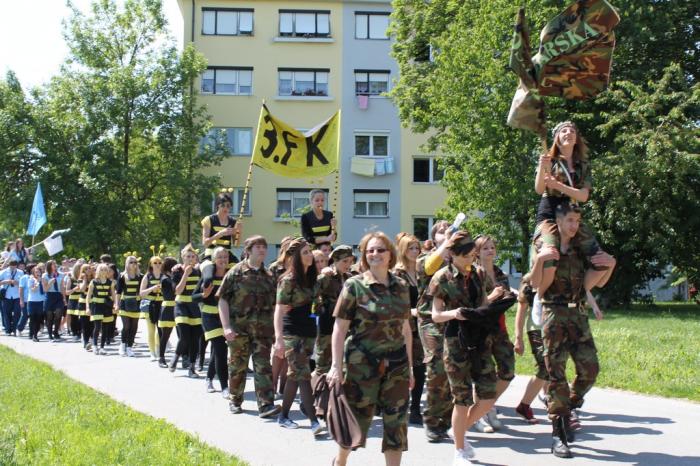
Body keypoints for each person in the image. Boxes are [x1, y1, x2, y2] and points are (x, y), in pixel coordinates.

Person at [530, 202, 616, 458]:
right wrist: (540, 261)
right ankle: (558, 435)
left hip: (577, 314)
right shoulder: (546, 245)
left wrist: (611, 265)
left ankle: (569, 406)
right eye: (569, 220)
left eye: (577, 221)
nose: (574, 226)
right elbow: (536, 286)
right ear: (558, 221)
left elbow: (595, 284)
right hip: (553, 313)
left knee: (590, 369)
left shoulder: (580, 249)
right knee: (556, 375)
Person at [327, 232, 414, 466]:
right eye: (370, 250)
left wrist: (410, 367)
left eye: (380, 250)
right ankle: (340, 461)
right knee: (357, 419)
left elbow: (405, 329)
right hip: (362, 365)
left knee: (396, 423)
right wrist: (336, 366)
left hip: (396, 365)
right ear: (365, 256)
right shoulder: (354, 285)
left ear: (390, 255)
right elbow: (340, 329)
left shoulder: (402, 286)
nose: (375, 254)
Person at [429, 231, 503, 465]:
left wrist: (495, 300)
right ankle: (459, 451)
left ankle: (458, 430)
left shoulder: (479, 273)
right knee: (461, 399)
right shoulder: (441, 277)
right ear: (452, 254)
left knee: (488, 395)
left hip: (480, 339)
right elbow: (435, 315)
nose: (470, 259)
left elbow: (483, 303)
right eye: (466, 255)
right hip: (456, 341)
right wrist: (455, 313)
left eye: (472, 254)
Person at [218, 235, 280, 418]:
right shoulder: (236, 273)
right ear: (248, 250)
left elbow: (276, 305)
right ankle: (235, 400)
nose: (262, 250)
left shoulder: (269, 276)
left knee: (263, 367)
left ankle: (266, 405)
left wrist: (277, 331)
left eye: (264, 247)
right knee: (238, 367)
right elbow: (222, 300)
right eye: (257, 247)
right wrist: (226, 326)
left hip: (263, 331)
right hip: (239, 330)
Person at [533, 121, 603, 271]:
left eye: (572, 131)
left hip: (571, 216)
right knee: (548, 255)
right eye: (564, 131)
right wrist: (542, 167)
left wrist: (558, 185)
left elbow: (583, 196)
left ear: (576, 138)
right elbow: (539, 189)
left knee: (601, 260)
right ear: (557, 138)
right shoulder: (549, 160)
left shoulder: (583, 165)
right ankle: (535, 283)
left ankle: (585, 287)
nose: (568, 133)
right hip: (550, 213)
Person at [273, 238, 325, 435]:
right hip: (292, 332)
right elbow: (279, 310)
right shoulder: (288, 280)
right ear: (295, 257)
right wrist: (278, 338)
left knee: (295, 375)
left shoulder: (313, 279)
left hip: (309, 331)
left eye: (310, 251)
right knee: (303, 374)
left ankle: (283, 416)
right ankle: (313, 420)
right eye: (305, 252)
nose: (310, 255)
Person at [415, 220, 454, 442]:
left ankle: (444, 421)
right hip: (430, 320)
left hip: (453, 318)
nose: (446, 232)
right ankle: (431, 420)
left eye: (450, 229)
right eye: (441, 231)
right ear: (433, 238)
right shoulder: (426, 258)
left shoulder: (457, 259)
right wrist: (446, 242)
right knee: (437, 366)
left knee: (453, 370)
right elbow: (429, 268)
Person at [473, 236, 514, 432]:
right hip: (480, 330)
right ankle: (478, 416)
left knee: (508, 371)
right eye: (485, 248)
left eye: (492, 247)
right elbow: (472, 305)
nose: (490, 250)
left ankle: (488, 406)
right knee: (483, 375)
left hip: (499, 327)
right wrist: (492, 297)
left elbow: (506, 297)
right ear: (476, 252)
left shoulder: (500, 273)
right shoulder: (472, 274)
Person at [393, 233, 427, 426]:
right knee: (401, 366)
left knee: (420, 368)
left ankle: (415, 409)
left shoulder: (422, 272)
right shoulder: (397, 274)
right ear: (403, 251)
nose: (415, 251)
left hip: (421, 326)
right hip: (402, 326)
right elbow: (393, 301)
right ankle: (395, 404)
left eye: (417, 248)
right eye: (411, 248)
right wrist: (409, 311)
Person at [513, 273, 547, 424]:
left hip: (555, 328)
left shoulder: (557, 276)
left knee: (554, 367)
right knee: (544, 367)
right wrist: (518, 338)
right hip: (536, 330)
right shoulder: (529, 283)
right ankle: (524, 405)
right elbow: (521, 313)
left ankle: (554, 403)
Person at [314, 244, 353, 376]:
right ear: (335, 261)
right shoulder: (326, 277)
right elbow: (311, 294)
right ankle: (318, 388)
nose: (348, 264)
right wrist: (319, 308)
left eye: (350, 261)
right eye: (345, 261)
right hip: (327, 324)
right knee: (323, 366)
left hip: (344, 325)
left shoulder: (350, 278)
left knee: (343, 364)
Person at [195, 246, 229, 395]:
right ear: (214, 259)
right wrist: (203, 294)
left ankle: (209, 378)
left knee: (217, 351)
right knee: (221, 349)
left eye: (225, 257)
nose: (223, 259)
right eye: (220, 257)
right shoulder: (208, 276)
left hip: (226, 317)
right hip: (209, 316)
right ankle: (225, 387)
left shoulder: (230, 275)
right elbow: (193, 297)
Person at [169, 244, 202, 378]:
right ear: (183, 257)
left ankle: (192, 368)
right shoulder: (177, 271)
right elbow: (177, 291)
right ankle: (176, 357)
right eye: (188, 256)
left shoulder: (198, 271)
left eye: (192, 256)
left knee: (195, 339)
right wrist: (185, 274)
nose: (190, 259)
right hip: (181, 305)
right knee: (184, 336)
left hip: (195, 307)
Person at [201, 192, 242, 266]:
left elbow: (236, 245)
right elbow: (205, 243)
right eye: (223, 205)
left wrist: (239, 231)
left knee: (237, 270)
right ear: (218, 206)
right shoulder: (209, 220)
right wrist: (220, 234)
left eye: (228, 206)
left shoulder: (233, 222)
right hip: (211, 253)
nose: (225, 208)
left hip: (227, 255)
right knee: (208, 271)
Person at [86, 263, 117, 355]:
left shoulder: (110, 282)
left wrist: (116, 304)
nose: (103, 271)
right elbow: (88, 296)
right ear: (98, 271)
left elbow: (113, 294)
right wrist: (87, 307)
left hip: (106, 306)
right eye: (101, 269)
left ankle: (102, 347)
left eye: (105, 270)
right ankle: (95, 345)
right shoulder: (93, 282)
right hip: (96, 306)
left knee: (105, 328)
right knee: (97, 326)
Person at [117, 255, 143, 357]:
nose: (133, 264)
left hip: (136, 303)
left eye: (135, 262)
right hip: (124, 303)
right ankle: (123, 345)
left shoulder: (140, 276)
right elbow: (118, 292)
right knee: (126, 326)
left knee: (134, 326)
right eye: (131, 262)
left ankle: (129, 347)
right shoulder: (122, 276)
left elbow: (142, 290)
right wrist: (116, 304)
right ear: (127, 264)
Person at [140, 253, 164, 361]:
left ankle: (158, 350)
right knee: (151, 330)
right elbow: (141, 293)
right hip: (150, 305)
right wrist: (152, 288)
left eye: (159, 262)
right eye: (155, 263)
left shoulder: (164, 276)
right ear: (151, 264)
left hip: (161, 304)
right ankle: (152, 352)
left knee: (160, 329)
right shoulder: (147, 276)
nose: (158, 264)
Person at [157, 257, 178, 367]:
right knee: (165, 335)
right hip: (168, 308)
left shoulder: (170, 277)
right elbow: (174, 289)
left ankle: (184, 357)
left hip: (177, 307)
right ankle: (161, 358)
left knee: (182, 335)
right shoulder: (165, 279)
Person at [42, 260, 65, 341]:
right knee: (49, 316)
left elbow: (62, 287)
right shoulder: (45, 275)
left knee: (59, 314)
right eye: (53, 264)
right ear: (49, 266)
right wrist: (50, 282)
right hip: (49, 296)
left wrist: (64, 298)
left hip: (58, 296)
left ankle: (56, 332)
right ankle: (49, 333)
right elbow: (45, 289)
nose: (55, 265)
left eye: (55, 264)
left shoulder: (61, 274)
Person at [1, 260, 24, 336]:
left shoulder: (20, 272)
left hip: (17, 295)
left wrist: (17, 283)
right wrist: (6, 281)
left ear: (16, 266)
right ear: (9, 265)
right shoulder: (4, 272)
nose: (13, 268)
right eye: (11, 266)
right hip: (6, 295)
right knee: (6, 313)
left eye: (14, 266)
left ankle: (14, 329)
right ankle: (8, 330)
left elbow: (23, 284)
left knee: (17, 313)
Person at [65, 262, 84, 341]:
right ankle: (75, 333)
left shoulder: (84, 278)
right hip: (73, 300)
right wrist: (74, 289)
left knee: (82, 317)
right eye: (80, 269)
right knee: (74, 318)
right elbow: (67, 292)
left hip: (82, 299)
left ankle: (81, 332)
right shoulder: (71, 279)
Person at [78, 264, 94, 349]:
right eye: (86, 269)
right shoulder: (80, 280)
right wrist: (84, 279)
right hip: (83, 303)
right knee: (85, 324)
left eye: (89, 268)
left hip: (93, 302)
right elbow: (82, 289)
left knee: (92, 323)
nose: (88, 270)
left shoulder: (94, 279)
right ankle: (85, 341)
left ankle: (91, 340)